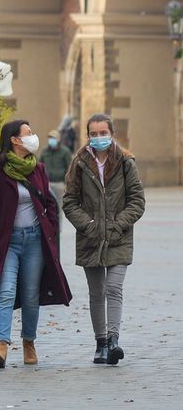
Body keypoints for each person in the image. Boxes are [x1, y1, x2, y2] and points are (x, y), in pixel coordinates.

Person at [0, 119, 72, 368]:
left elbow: (50, 204)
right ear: (15, 140)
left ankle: (28, 342)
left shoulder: (37, 169)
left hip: (34, 241)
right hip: (8, 242)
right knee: (6, 290)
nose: (34, 137)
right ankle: (1, 344)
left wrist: (49, 229)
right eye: (28, 133)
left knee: (30, 295)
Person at [61, 113, 145, 366]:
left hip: (119, 237)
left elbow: (137, 201)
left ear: (112, 134)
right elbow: (69, 201)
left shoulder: (125, 162)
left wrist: (118, 225)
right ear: (88, 136)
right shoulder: (80, 162)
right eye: (94, 134)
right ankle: (100, 344)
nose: (99, 138)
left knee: (113, 288)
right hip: (90, 238)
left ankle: (113, 341)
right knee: (97, 292)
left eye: (103, 133)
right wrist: (87, 225)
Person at [38, 129, 72, 204]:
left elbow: (70, 168)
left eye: (53, 138)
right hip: (47, 183)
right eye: (50, 138)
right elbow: (39, 166)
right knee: (48, 205)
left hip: (60, 184)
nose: (51, 140)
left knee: (60, 206)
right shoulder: (44, 151)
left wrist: (66, 183)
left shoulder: (65, 151)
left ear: (58, 139)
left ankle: (60, 216)